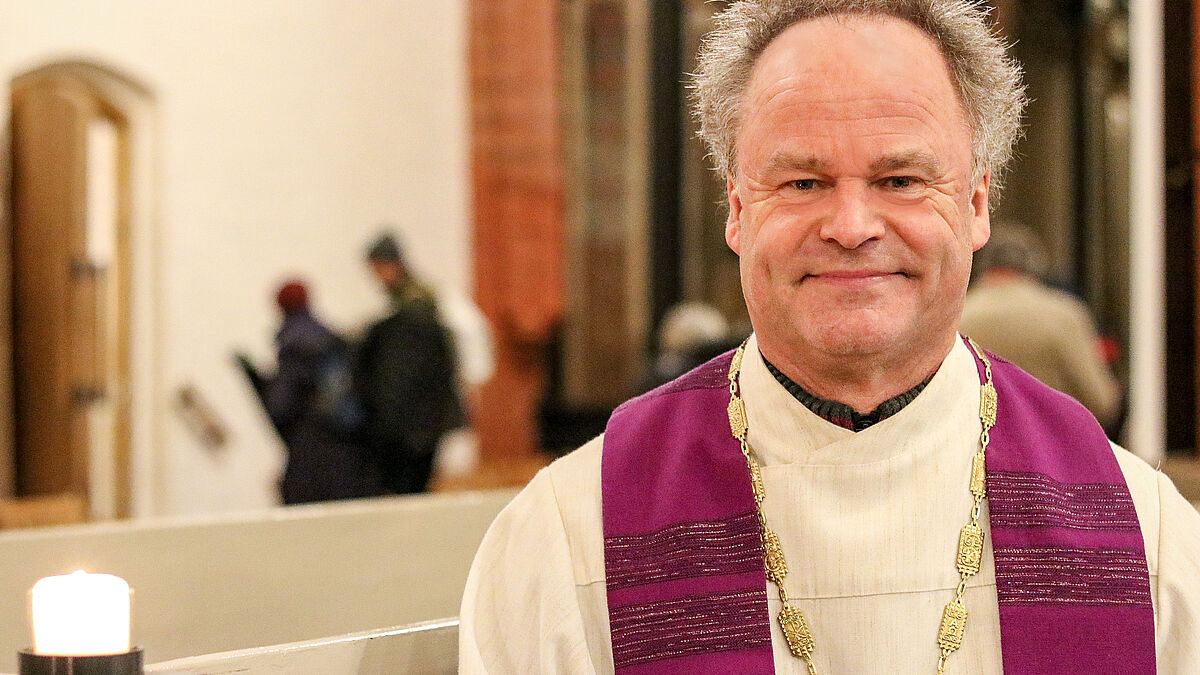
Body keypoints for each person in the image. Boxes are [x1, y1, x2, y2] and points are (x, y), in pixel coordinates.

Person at [459, 1, 1200, 673]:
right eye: (803, 183)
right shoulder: (570, 535)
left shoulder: (1146, 535)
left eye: (901, 179)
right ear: (738, 211)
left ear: (976, 205)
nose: (850, 227)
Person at [960, 223, 1122, 431]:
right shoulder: (1064, 315)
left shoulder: (957, 315)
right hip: (1053, 449)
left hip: (978, 451)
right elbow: (1102, 401)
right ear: (1034, 267)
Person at [259, 280, 384, 504]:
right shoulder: (331, 337)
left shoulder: (293, 344)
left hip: (313, 448)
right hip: (348, 451)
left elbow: (280, 404)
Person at [358, 233, 464, 494]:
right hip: (422, 422)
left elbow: (409, 372)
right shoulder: (414, 300)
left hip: (415, 426)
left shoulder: (414, 307)